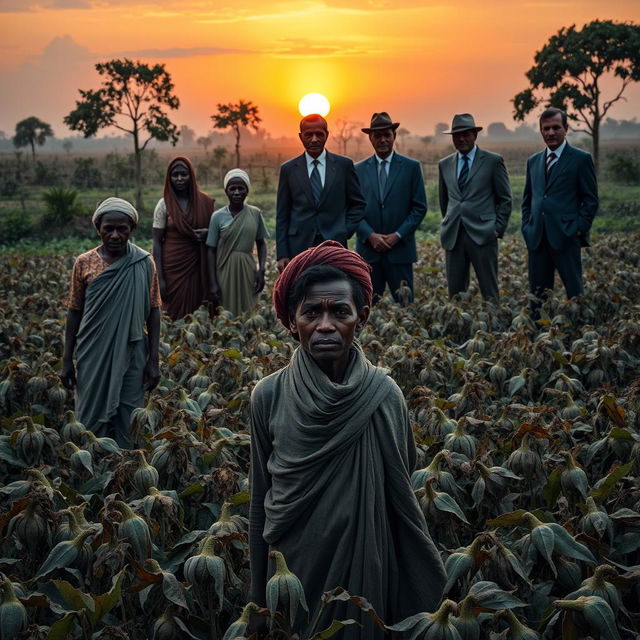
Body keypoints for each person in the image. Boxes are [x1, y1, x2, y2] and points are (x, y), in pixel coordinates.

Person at [248, 241, 446, 638]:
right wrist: (255, 600)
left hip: (366, 568)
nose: (325, 325)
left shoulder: (386, 396)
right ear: (291, 321)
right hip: (292, 571)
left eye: (340, 311)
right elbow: (259, 502)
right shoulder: (268, 396)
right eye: (311, 312)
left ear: (362, 316)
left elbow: (400, 494)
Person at [61, 197, 161, 448]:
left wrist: (153, 360)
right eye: (109, 229)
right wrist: (66, 360)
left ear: (131, 230)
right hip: (92, 351)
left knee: (129, 414)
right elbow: (74, 311)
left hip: (132, 351)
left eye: (122, 229)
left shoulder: (143, 262)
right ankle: (92, 466)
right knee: (90, 414)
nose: (115, 235)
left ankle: (125, 469)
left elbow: (154, 310)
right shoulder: (84, 263)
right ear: (99, 229)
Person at [522, 108, 599, 314]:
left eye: (556, 127)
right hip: (537, 238)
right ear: (541, 131)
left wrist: (579, 228)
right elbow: (528, 200)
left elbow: (590, 200)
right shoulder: (534, 161)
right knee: (537, 296)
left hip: (567, 236)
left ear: (566, 128)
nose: (551, 132)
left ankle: (580, 332)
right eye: (546, 128)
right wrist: (527, 227)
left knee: (575, 292)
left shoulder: (580, 159)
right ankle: (539, 336)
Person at [275, 114, 366, 273]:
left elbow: (358, 204)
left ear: (327, 135)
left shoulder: (344, 165)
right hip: (299, 246)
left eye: (319, 134)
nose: (314, 139)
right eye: (308, 135)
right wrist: (282, 254)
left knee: (333, 290)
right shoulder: (288, 169)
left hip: (334, 245)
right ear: (300, 136)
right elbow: (282, 215)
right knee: (302, 292)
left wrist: (344, 230)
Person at [355, 112, 427, 304]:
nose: (383, 140)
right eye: (377, 136)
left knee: (406, 307)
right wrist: (370, 235)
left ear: (394, 136)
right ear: (370, 138)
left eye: (387, 135)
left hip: (401, 252)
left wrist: (398, 235)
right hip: (369, 252)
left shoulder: (411, 167)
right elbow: (351, 209)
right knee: (366, 309)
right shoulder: (357, 170)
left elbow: (419, 208)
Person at [438, 113, 512, 300]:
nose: (461, 139)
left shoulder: (492, 161)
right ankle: (460, 328)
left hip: (484, 234)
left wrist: (497, 229)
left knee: (490, 291)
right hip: (454, 235)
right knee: (455, 293)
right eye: (457, 135)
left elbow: (505, 199)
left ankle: (495, 326)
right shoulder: (444, 164)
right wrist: (449, 222)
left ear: (475, 135)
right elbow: (444, 201)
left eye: (466, 134)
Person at [152, 156, 215, 320]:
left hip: (198, 265)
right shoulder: (163, 204)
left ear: (191, 176)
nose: (179, 178)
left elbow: (216, 233)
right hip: (172, 267)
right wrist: (160, 278)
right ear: (169, 178)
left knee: (199, 312)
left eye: (184, 174)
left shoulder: (204, 202)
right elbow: (157, 243)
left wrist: (208, 233)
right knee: (172, 313)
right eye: (175, 175)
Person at [206, 169, 268, 315]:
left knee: (250, 309)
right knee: (226, 309)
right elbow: (211, 250)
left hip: (248, 268)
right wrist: (213, 283)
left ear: (247, 190)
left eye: (241, 188)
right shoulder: (217, 217)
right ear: (226, 191)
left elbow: (261, 243)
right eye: (232, 188)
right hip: (224, 268)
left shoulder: (255, 214)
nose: (237, 192)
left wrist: (261, 270)